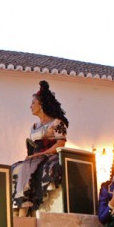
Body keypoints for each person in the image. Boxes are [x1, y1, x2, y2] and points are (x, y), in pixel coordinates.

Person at [11, 80, 69, 216]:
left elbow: (60, 144)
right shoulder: (33, 127)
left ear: (41, 105)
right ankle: (15, 208)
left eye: (33, 103)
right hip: (34, 157)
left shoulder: (56, 123)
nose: (30, 106)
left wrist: (42, 154)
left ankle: (24, 208)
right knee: (15, 168)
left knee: (27, 167)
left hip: (49, 156)